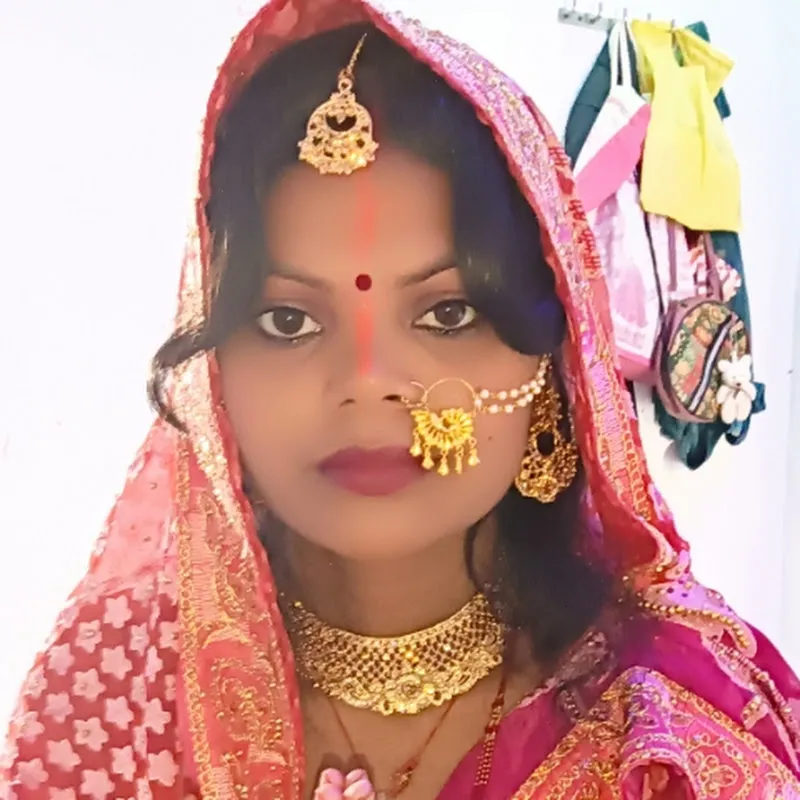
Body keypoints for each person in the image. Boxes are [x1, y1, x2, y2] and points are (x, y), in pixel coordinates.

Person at [2, 2, 799, 798]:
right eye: (288, 320)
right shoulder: (116, 689)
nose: (365, 380)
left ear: (554, 367)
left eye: (447, 314)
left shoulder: (671, 733)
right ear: (213, 376)